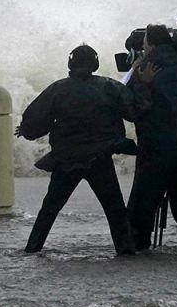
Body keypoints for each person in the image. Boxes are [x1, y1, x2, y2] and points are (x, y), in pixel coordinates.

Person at [16, 44, 138, 256]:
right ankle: (126, 252)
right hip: (99, 158)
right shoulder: (110, 86)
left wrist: (25, 130)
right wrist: (142, 83)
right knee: (115, 210)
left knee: (49, 210)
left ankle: (32, 249)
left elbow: (35, 121)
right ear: (95, 63)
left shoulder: (58, 88)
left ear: (71, 63)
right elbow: (134, 111)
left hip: (67, 159)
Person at [126, 23, 177, 249]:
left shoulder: (145, 68)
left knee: (140, 210)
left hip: (154, 147)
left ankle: (140, 251)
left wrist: (142, 83)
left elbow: (134, 110)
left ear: (151, 44)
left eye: (145, 43)